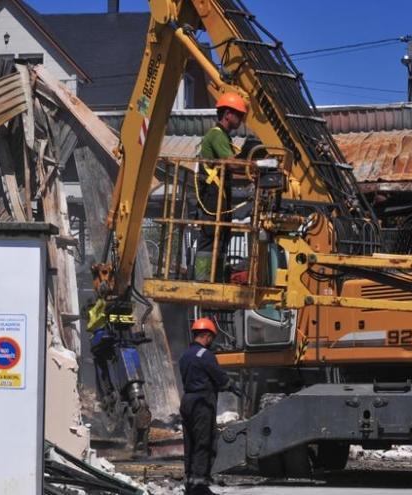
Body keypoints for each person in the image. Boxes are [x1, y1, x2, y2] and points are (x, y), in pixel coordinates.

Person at [179, 317, 242, 495]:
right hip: (202, 403)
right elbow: (219, 377)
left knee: (190, 443)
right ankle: (199, 487)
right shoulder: (205, 355)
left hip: (187, 401)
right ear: (206, 336)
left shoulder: (185, 355)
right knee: (204, 443)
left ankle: (190, 484)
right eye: (211, 338)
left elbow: (197, 377)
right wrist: (231, 386)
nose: (211, 342)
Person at [195, 93, 247, 282]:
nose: (241, 119)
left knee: (222, 234)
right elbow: (230, 163)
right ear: (227, 114)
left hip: (220, 194)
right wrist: (256, 166)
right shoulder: (216, 135)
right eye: (238, 115)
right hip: (212, 194)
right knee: (210, 234)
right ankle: (203, 279)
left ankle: (215, 277)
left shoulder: (224, 137)